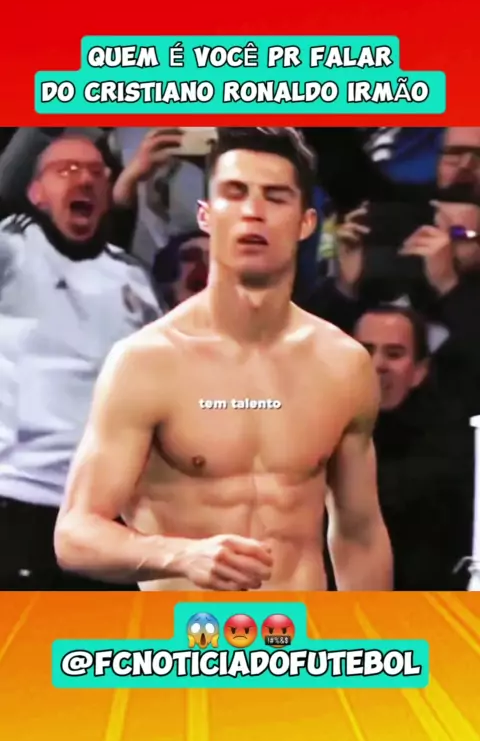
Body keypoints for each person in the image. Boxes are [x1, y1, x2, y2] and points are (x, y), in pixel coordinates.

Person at [55, 127, 392, 592]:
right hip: (185, 633)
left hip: (301, 631)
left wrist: (369, 631)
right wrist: (181, 555)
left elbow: (359, 534)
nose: (253, 211)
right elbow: (75, 533)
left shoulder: (343, 364)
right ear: (206, 215)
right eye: (235, 193)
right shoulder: (146, 362)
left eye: (275, 197)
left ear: (306, 222)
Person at [0, 135, 162, 590]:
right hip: (20, 500)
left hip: (109, 516)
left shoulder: (135, 278)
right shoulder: (13, 248)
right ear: (35, 192)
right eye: (66, 170)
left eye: (95, 172)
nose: (84, 180)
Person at [355, 306, 473, 590]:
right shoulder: (320, 433)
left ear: (420, 371)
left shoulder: (452, 447)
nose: (378, 364)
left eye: (394, 354)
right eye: (365, 351)